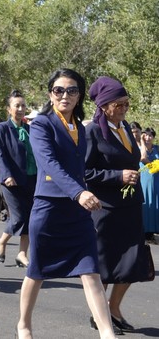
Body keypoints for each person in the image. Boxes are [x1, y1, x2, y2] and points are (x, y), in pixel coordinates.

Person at [17, 68, 116, 339]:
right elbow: (49, 164)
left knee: (90, 270)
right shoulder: (41, 124)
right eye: (59, 90)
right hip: (49, 206)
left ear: (79, 95)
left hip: (77, 209)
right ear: (50, 94)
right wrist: (79, 192)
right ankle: (24, 325)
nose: (65, 95)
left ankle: (107, 333)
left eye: (72, 90)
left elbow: (82, 166)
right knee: (37, 269)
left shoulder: (80, 128)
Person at [85, 76, 149, 334]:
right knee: (105, 264)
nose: (124, 109)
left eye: (126, 104)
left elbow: (131, 161)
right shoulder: (92, 131)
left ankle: (113, 307)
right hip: (105, 208)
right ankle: (99, 315)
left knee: (132, 262)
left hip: (130, 204)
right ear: (104, 106)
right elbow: (85, 172)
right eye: (118, 104)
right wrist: (117, 176)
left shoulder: (124, 130)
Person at [0, 90, 36, 267]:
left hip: (32, 178)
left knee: (30, 217)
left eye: (23, 106)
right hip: (11, 180)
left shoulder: (29, 129)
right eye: (16, 106)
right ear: (9, 109)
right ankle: (2, 241)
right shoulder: (3, 128)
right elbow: (0, 153)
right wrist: (7, 175)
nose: (20, 109)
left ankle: (21, 254)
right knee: (18, 217)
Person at [140, 128, 159, 242]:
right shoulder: (139, 148)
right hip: (144, 181)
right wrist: (142, 143)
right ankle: (146, 233)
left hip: (157, 181)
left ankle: (154, 231)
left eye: (150, 135)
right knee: (146, 205)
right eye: (145, 135)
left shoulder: (157, 149)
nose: (148, 138)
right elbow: (143, 158)